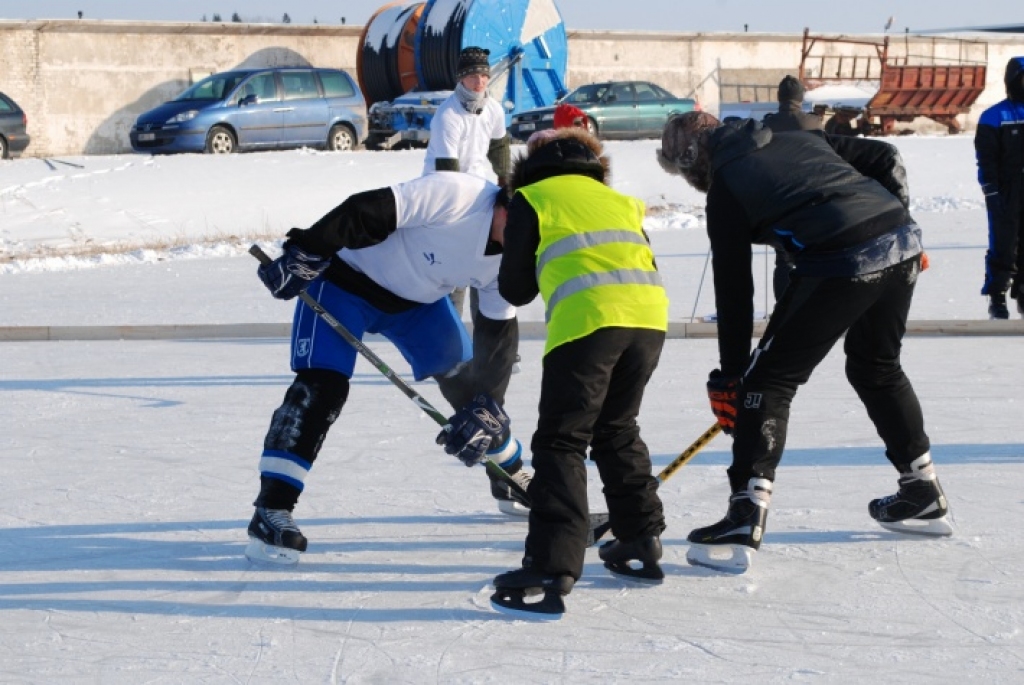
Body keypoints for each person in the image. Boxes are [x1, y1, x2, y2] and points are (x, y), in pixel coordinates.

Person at [657, 112, 952, 573]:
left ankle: (744, 516)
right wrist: (899, 218)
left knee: (767, 384)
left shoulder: (727, 187)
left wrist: (734, 378)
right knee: (876, 366)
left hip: (844, 255)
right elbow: (884, 154)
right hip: (902, 240)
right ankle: (922, 490)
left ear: (693, 160)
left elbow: (734, 293)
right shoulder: (791, 134)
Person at [246, 171, 529, 565]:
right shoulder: (458, 193)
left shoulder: (515, 259)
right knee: (321, 387)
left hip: (418, 306)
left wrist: (488, 410)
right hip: (343, 284)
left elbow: (497, 336)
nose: (523, 237)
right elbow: (366, 210)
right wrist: (306, 250)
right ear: (505, 203)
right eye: (519, 222)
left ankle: (510, 476)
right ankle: (271, 510)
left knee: (474, 396)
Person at [487, 127, 670, 618]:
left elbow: (516, 289)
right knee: (617, 427)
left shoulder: (532, 197)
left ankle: (552, 566)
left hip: (588, 322)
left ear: (533, 164)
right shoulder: (619, 201)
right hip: (649, 319)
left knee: (562, 442)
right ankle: (639, 538)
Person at [422, 47, 512, 337]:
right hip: (444, 194)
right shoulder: (448, 114)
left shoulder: (494, 109)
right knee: (455, 268)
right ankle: (450, 339)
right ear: (461, 78)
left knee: (486, 265)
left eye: (484, 75)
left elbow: (499, 148)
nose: (480, 81)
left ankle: (488, 339)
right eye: (473, 75)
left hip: (478, 192)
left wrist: (505, 186)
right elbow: (447, 169)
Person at [762, 75, 823, 298]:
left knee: (783, 258)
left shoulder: (768, 123)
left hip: (779, 197)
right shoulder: (812, 122)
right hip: (810, 196)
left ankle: (783, 307)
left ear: (779, 97)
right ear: (800, 97)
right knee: (814, 254)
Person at [974, 56, 1024, 319]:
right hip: (1006, 191)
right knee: (1004, 244)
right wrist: (990, 188)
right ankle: (997, 296)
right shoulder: (993, 116)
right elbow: (986, 157)